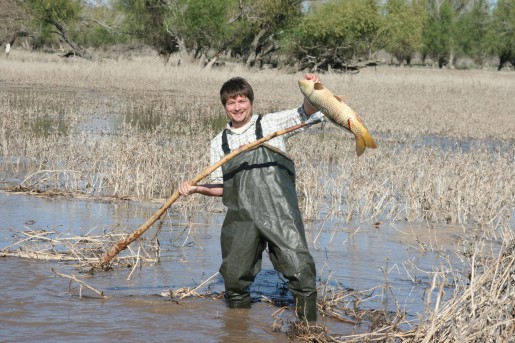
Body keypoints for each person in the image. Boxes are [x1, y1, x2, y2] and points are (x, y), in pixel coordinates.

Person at [179, 74, 324, 322]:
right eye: (231, 103)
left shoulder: (269, 124)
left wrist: (311, 91)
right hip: (242, 218)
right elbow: (221, 188)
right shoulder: (219, 142)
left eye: (242, 101)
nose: (237, 107)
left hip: (279, 214)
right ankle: (236, 331)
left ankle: (309, 329)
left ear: (251, 102)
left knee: (300, 271)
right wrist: (196, 189)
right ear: (225, 106)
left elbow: (307, 113)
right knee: (234, 278)